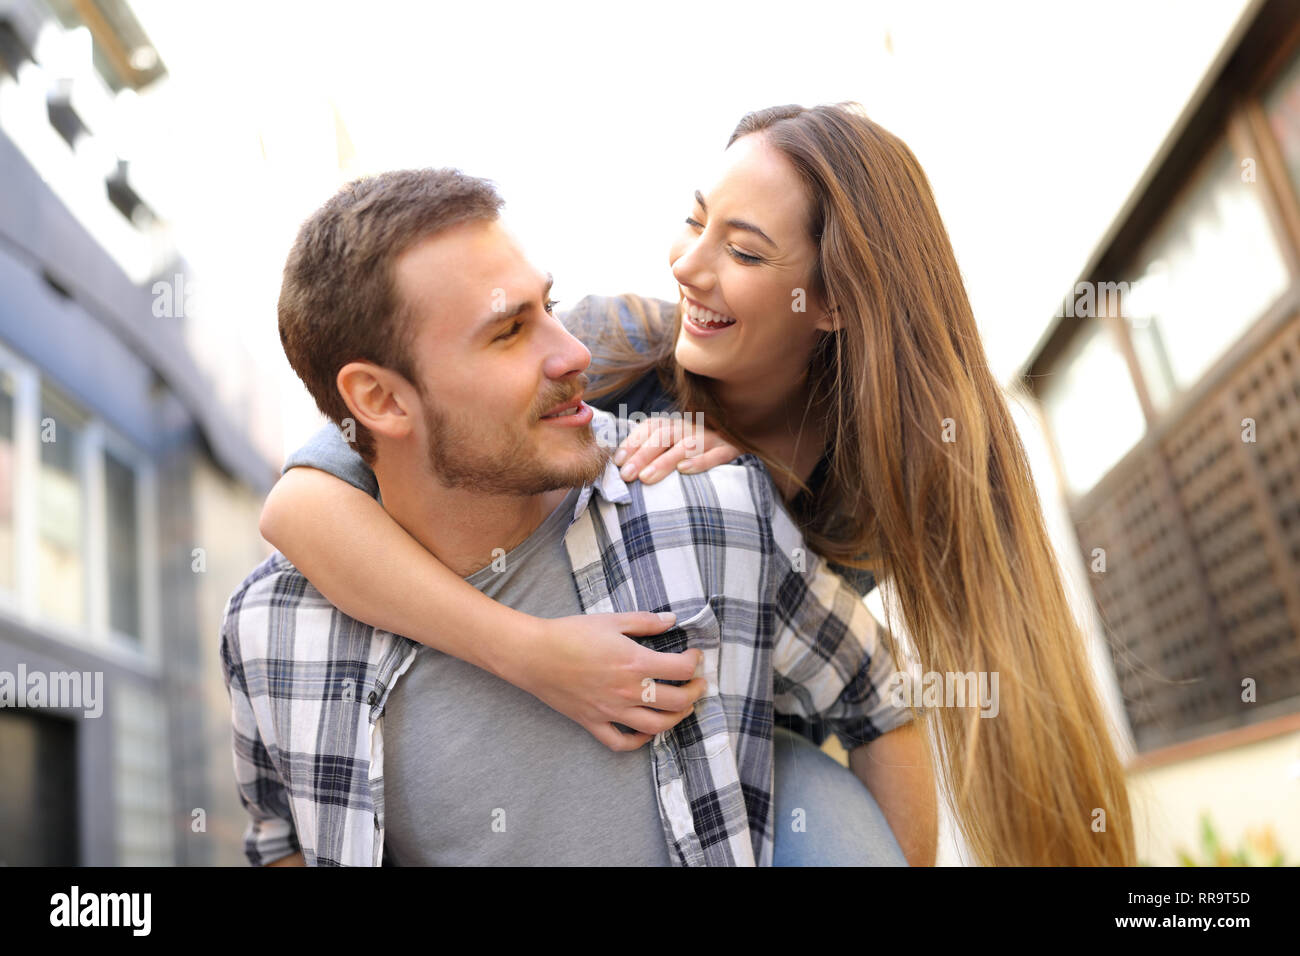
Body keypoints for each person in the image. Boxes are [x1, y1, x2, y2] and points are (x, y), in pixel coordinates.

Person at [259, 103, 1138, 866]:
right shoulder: (606, 343)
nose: (687, 264)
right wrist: (528, 652)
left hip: (760, 742)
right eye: (696, 219)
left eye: (744, 251)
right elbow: (298, 507)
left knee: (814, 798)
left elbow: (897, 694)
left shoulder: (891, 470)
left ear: (834, 304)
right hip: (594, 711)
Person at [220, 166, 931, 867]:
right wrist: (524, 649)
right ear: (378, 399)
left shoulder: (710, 506)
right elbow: (281, 837)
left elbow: (883, 701)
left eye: (549, 308)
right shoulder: (270, 629)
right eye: (508, 331)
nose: (575, 353)